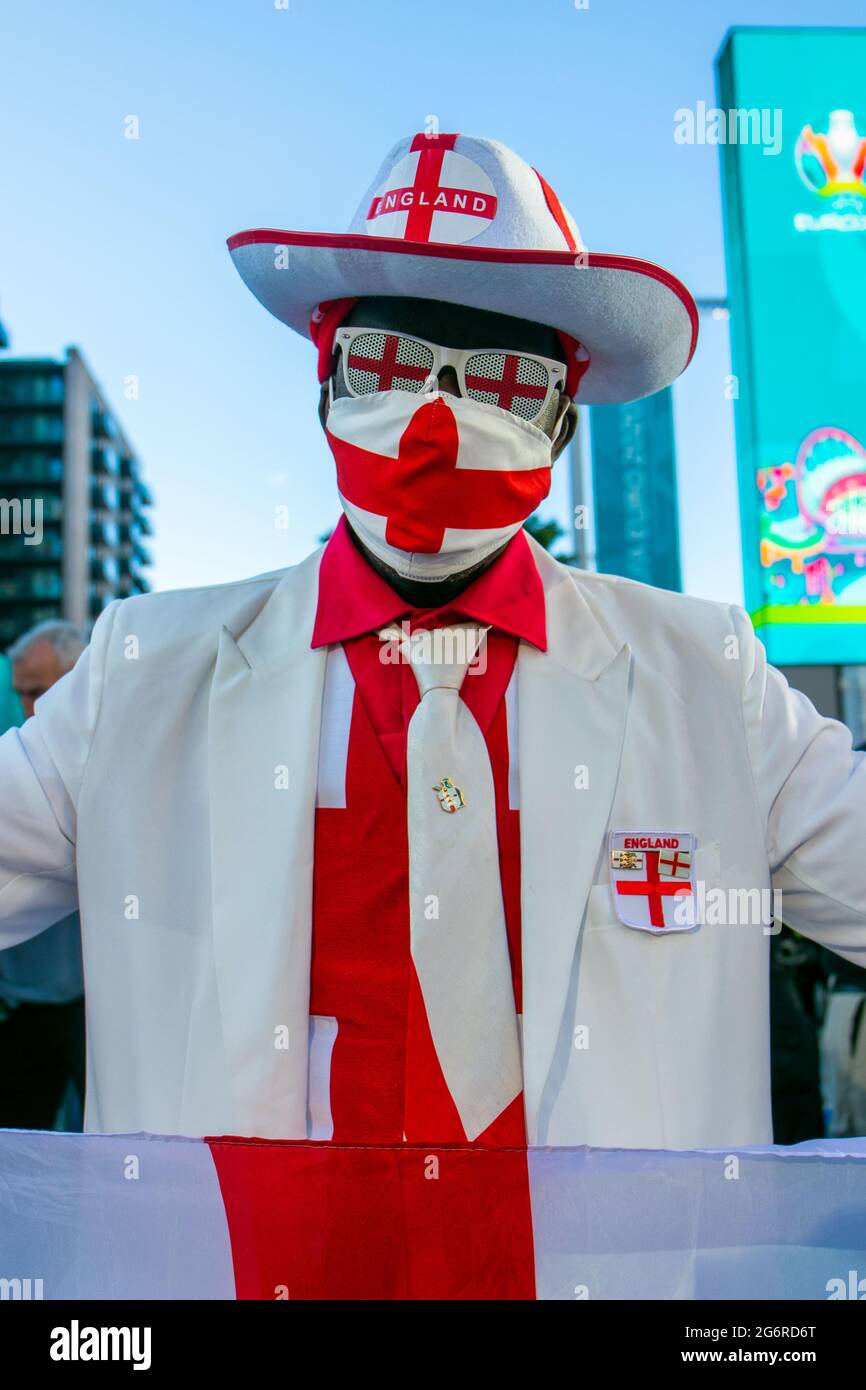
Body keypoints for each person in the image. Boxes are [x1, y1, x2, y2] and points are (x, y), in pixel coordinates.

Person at [1, 130, 865, 1149]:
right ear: (324, 384)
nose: (433, 419)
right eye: (389, 362)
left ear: (559, 426)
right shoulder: (142, 675)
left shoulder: (707, 682)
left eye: (499, 379)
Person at [0, 622, 86, 1129]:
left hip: (94, 1009)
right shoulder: (22, 767)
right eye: (21, 694)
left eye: (39, 692)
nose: (30, 708)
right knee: (19, 1151)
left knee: (110, 1140)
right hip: (24, 1009)